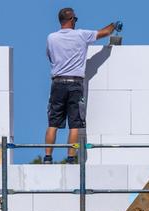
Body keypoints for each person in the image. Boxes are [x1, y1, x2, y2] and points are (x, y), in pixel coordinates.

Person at [44, 8, 122, 164]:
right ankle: (71, 158)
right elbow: (104, 33)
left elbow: (50, 56)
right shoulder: (81, 35)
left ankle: (47, 157)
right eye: (75, 19)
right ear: (71, 19)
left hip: (58, 83)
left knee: (53, 124)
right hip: (75, 84)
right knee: (75, 124)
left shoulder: (51, 38)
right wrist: (114, 25)